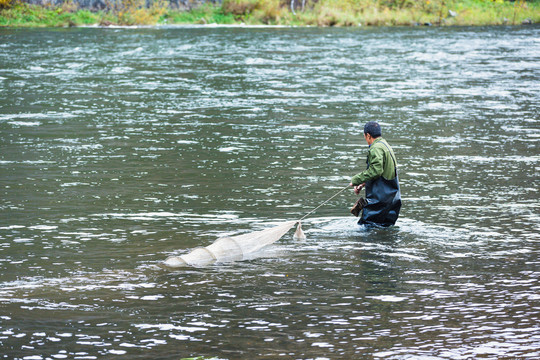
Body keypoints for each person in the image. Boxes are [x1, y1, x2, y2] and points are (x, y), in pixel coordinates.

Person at [349, 121, 401, 227]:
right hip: (392, 200)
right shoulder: (385, 145)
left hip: (379, 201)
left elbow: (376, 171)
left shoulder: (375, 148)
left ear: (368, 135)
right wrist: (363, 183)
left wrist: (355, 180)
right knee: (384, 228)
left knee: (366, 227)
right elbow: (382, 171)